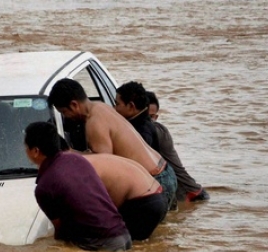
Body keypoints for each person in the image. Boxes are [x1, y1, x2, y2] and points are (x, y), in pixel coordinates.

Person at [48, 78, 177, 211]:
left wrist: (69, 153)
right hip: (165, 171)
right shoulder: (101, 107)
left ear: (74, 104)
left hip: (153, 181)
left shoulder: (94, 123)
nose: (66, 116)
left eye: (64, 112)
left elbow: (104, 164)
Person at [24, 121, 132, 252]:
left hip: (101, 244)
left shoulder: (44, 187)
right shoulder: (77, 159)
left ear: (35, 151)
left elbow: (61, 230)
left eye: (26, 147)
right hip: (123, 234)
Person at [81, 152, 168, 241]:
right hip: (159, 193)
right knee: (140, 246)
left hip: (144, 203)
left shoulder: (79, 169)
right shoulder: (91, 159)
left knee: (120, 246)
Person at [147, 90, 210, 203]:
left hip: (189, 194)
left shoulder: (156, 131)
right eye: (145, 116)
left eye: (151, 116)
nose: (149, 120)